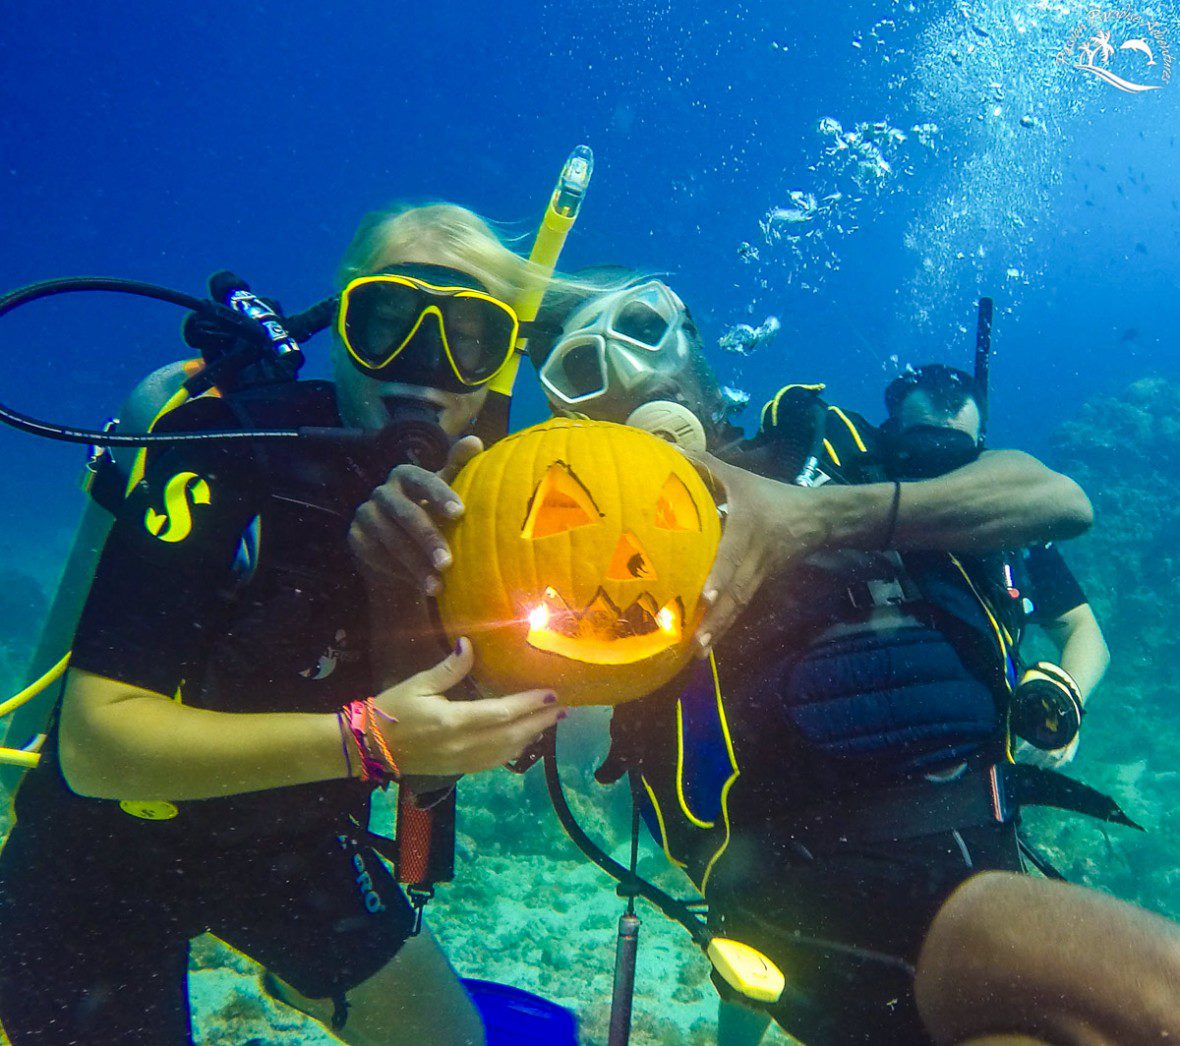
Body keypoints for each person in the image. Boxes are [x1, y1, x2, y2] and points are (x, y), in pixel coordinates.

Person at [528, 281, 1172, 1044]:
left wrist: (813, 516)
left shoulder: (840, 450)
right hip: (801, 899)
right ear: (569, 411)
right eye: (580, 365)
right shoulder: (573, 536)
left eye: (641, 327)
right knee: (1151, 993)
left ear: (693, 345)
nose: (628, 371)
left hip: (975, 847)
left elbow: (1057, 498)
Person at [0, 202, 575, 1045]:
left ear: (500, 364)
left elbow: (459, 744)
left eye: (469, 337)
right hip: (102, 850)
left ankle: (296, 969)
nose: (423, 365)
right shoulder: (228, 451)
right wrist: (371, 741)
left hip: (289, 841)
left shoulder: (496, 505)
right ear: (342, 324)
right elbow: (92, 749)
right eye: (387, 319)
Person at [882, 363, 1110, 770]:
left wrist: (1064, 694)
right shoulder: (855, 496)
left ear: (980, 449)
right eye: (922, 445)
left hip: (978, 762)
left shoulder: (1010, 524)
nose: (937, 463)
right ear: (891, 434)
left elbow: (1084, 631)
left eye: (954, 451)